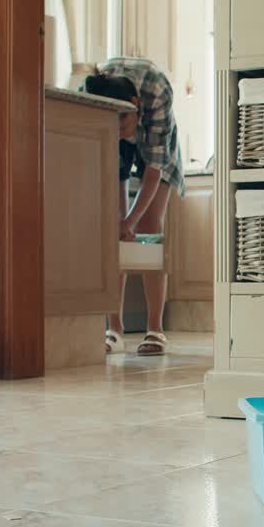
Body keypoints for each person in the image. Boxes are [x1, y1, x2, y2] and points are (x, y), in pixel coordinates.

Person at [83, 57, 185, 356]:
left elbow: (153, 173)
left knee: (148, 226)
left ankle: (155, 329)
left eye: (123, 124)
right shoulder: (93, 96)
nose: (119, 132)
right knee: (113, 231)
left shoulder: (156, 91)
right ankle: (114, 328)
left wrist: (131, 221)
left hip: (155, 139)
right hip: (116, 133)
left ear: (134, 103)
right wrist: (119, 222)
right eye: (111, 124)